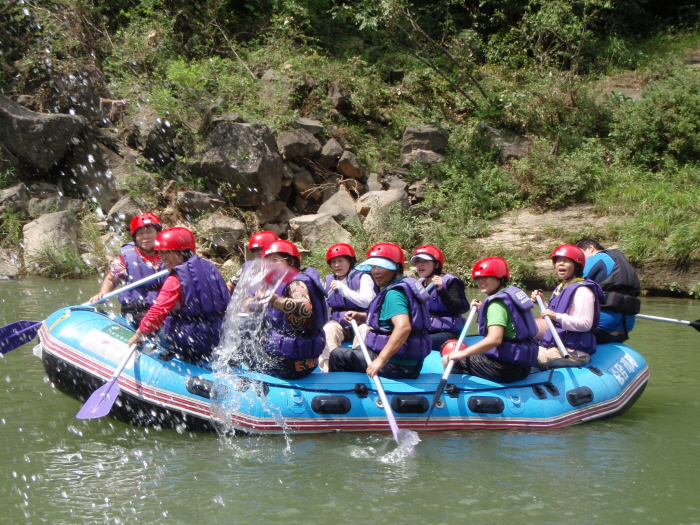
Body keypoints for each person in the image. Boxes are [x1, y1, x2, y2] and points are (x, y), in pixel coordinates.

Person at [127, 227, 230, 363]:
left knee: (156, 333)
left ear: (184, 252)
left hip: (187, 339)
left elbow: (158, 310)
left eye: (168, 252)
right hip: (215, 335)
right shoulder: (210, 267)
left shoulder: (175, 279)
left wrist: (139, 334)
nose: (163, 258)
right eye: (161, 253)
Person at [329, 243, 431, 379]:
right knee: (357, 350)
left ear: (397, 268)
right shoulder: (405, 285)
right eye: (373, 267)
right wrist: (360, 316)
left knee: (337, 355)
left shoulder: (394, 294)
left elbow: (403, 327)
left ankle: (341, 396)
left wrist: (381, 360)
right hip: (409, 362)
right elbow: (388, 320)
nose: (375, 272)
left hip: (396, 365)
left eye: (382, 267)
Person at [441, 257, 539, 383]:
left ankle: (453, 392)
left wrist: (461, 354)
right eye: (478, 278)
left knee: (448, 359)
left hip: (503, 368)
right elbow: (511, 319)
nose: (480, 281)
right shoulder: (510, 297)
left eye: (486, 277)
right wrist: (482, 308)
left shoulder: (496, 305)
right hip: (522, 366)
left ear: (500, 277)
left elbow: (495, 339)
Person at [251, 240, 328, 379]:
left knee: (243, 350)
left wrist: (273, 299)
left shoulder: (297, 283)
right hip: (300, 360)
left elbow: (305, 308)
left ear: (291, 262)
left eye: (275, 260)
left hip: (289, 366)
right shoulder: (278, 283)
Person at [531, 244, 604, 370]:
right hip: (558, 346)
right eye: (558, 261)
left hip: (573, 353)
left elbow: (585, 323)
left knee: (522, 354)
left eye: (566, 261)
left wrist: (555, 316)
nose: (560, 264)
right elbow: (556, 314)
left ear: (576, 266)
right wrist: (542, 304)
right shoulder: (562, 287)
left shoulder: (582, 290)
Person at [89, 212, 165, 327]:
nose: (145, 236)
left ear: (158, 233)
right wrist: (103, 293)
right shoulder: (127, 257)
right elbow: (111, 279)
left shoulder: (169, 254)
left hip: (164, 305)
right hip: (137, 308)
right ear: (135, 237)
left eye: (150, 232)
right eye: (141, 233)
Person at [319, 244, 377, 372]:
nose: (336, 265)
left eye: (341, 261)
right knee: (328, 329)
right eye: (333, 262)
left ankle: (358, 367)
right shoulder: (328, 281)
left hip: (361, 322)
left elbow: (366, 302)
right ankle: (329, 369)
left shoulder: (364, 277)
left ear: (350, 261)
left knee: (365, 330)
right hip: (339, 323)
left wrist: (343, 289)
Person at [575, 238, 641, 343]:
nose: (578, 260)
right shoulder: (622, 262)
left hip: (603, 327)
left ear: (591, 248)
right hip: (626, 327)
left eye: (580, 255)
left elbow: (572, 284)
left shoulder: (597, 258)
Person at [411, 245, 469, 351]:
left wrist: (442, 291)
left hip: (449, 333)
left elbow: (459, 307)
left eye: (425, 261)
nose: (420, 264)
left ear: (436, 264)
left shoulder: (450, 281)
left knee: (416, 343)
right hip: (426, 330)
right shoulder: (418, 284)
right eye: (417, 261)